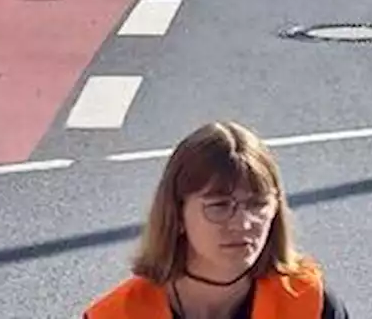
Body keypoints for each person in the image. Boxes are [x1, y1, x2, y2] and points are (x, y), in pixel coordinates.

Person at [83, 121, 351, 318]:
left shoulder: (309, 303)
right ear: (176, 214)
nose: (243, 224)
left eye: (258, 204)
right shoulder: (116, 315)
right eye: (220, 206)